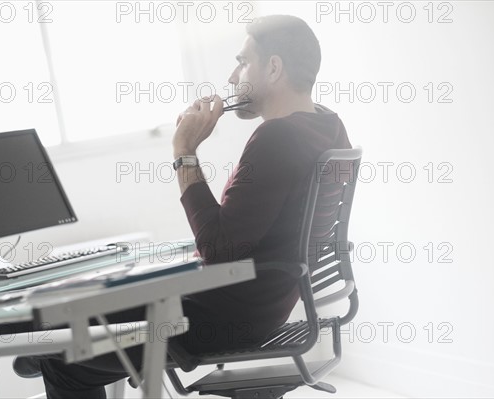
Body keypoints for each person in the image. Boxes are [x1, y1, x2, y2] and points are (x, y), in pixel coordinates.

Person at [20, 14, 351, 398]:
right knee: (74, 325)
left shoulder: (277, 138)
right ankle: (41, 348)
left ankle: (44, 350)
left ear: (274, 67)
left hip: (225, 318)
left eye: (243, 62)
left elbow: (217, 251)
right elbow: (246, 234)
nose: (231, 77)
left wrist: (184, 151)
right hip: (263, 305)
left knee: (65, 354)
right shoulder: (329, 126)